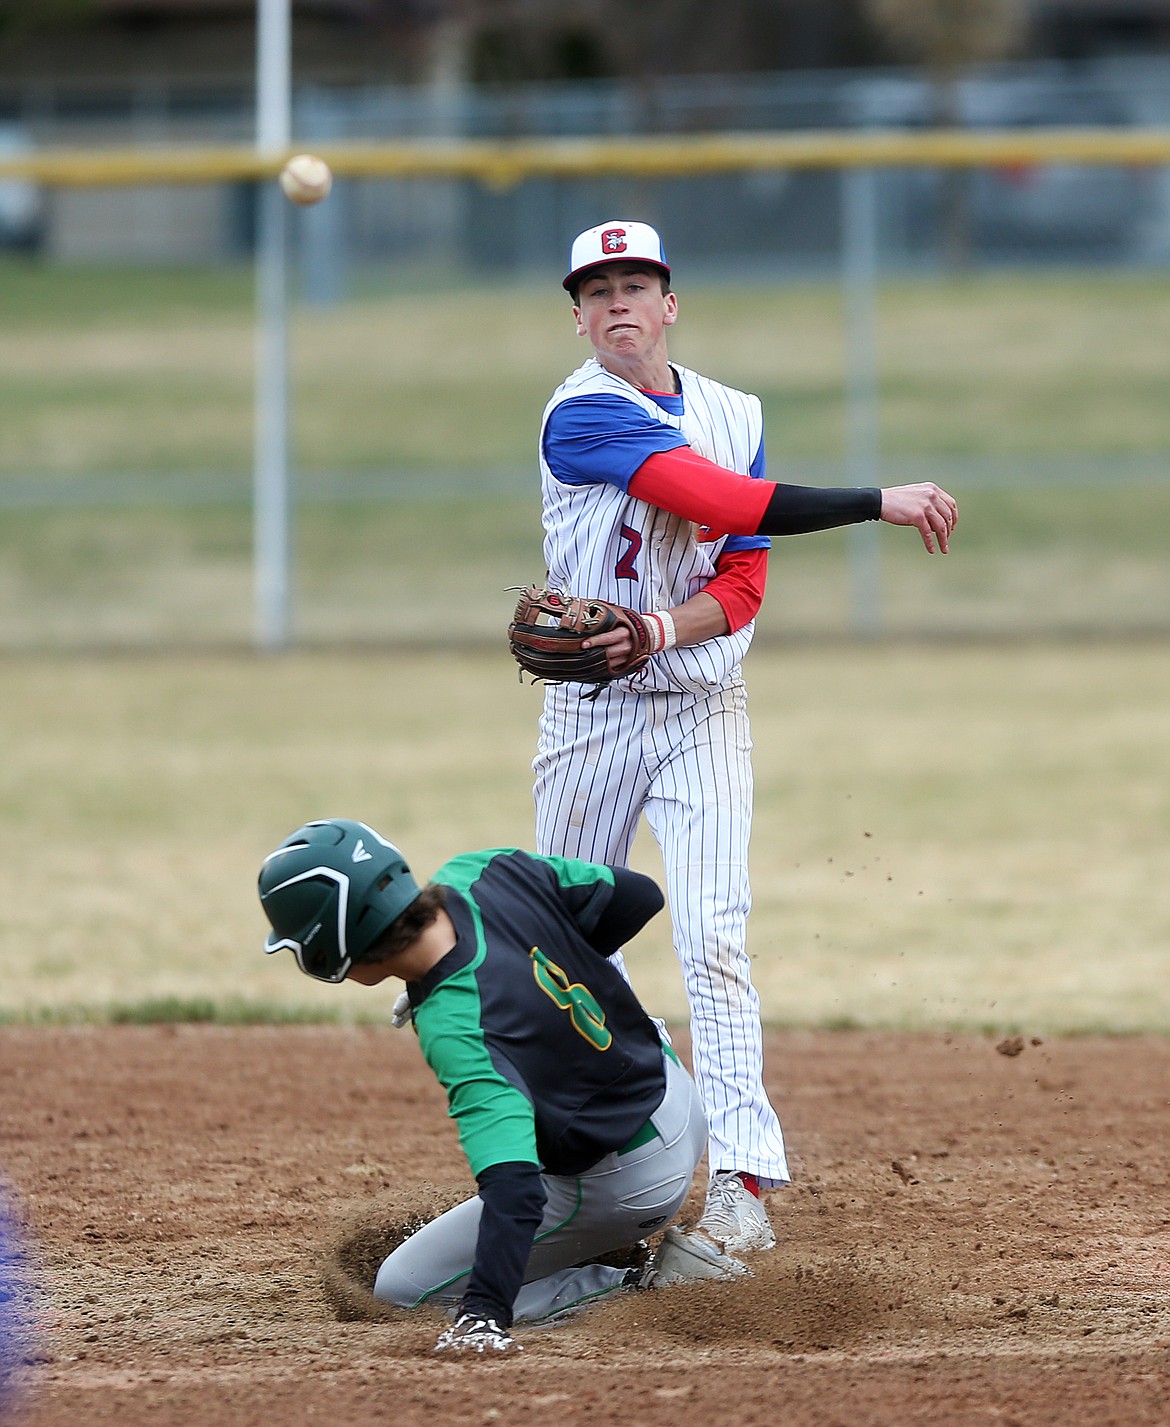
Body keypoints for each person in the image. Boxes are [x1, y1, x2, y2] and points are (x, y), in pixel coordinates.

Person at [532, 219, 959, 1255]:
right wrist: (873, 499)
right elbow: (709, 497)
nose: (619, 302)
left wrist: (656, 629)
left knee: (713, 932)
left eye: (637, 284)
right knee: (571, 944)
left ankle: (741, 1179)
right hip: (588, 715)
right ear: (579, 316)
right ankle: (626, 1147)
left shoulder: (735, 412)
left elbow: (744, 573)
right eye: (598, 290)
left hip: (702, 709)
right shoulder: (581, 414)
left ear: (670, 303)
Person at [257, 817, 751, 1356]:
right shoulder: (482, 872)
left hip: (630, 1184)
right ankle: (590, 1244)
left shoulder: (456, 1023)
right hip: (675, 1094)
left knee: (403, 1290)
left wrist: (484, 1313)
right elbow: (637, 896)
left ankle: (653, 1286)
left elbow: (515, 1187)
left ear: (331, 950)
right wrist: (546, 994)